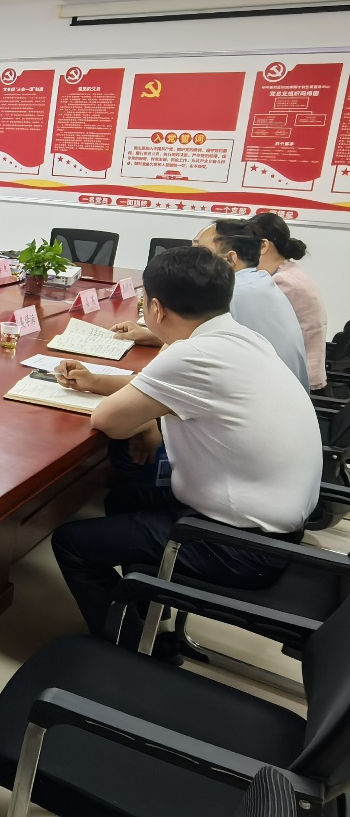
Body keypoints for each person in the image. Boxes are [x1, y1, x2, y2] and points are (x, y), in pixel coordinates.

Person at [51, 246, 320, 644]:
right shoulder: (242, 338)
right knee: (125, 497)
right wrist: (94, 381)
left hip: (238, 547)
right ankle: (147, 602)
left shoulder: (192, 354)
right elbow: (165, 389)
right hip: (274, 528)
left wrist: (143, 415)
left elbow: (109, 421)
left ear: (156, 309)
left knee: (71, 543)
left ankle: (129, 648)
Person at [109, 221, 307, 387]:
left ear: (230, 259)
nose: (191, 257)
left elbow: (157, 378)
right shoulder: (259, 281)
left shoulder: (231, 294)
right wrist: (153, 337)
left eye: (200, 251)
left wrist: (95, 381)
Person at [251, 213, 328, 392]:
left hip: (298, 380)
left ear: (263, 245)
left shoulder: (283, 282)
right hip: (301, 372)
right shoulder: (290, 271)